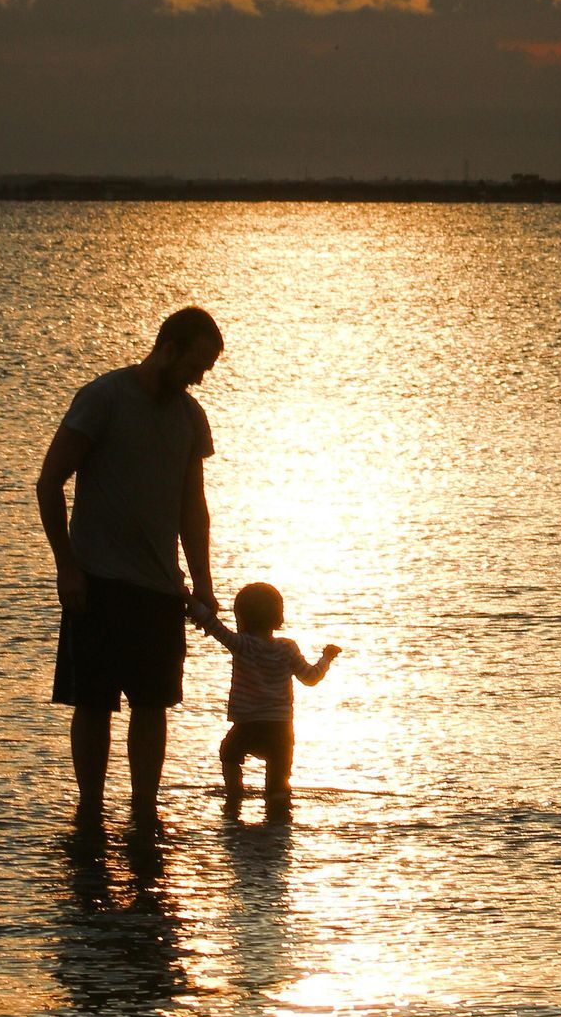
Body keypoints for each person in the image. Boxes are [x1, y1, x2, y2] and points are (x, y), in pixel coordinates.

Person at [37, 305, 223, 825]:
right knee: (93, 705)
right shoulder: (103, 399)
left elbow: (193, 508)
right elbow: (49, 482)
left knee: (152, 706)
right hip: (95, 583)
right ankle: (90, 812)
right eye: (196, 363)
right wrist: (67, 567)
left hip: (159, 589)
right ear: (168, 348)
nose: (199, 376)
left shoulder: (190, 419)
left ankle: (144, 814)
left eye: (206, 368)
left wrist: (204, 584)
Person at [197, 581, 340, 811]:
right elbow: (311, 678)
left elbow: (212, 625)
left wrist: (188, 600)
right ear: (278, 617)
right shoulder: (287, 648)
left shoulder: (242, 644)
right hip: (281, 730)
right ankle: (279, 827)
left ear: (241, 618)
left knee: (229, 753)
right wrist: (326, 658)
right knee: (277, 788)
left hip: (247, 725)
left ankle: (234, 798)